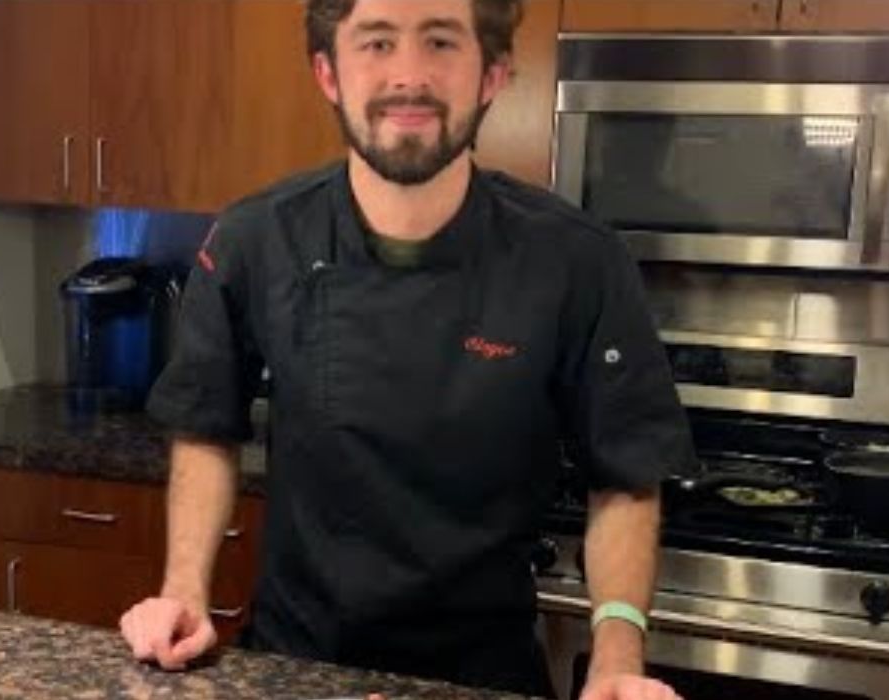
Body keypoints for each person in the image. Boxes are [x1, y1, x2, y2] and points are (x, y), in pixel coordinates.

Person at [119, 1, 693, 698]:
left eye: (442, 41)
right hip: (300, 668)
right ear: (329, 74)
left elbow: (626, 475)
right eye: (378, 42)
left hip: (486, 675)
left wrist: (617, 656)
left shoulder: (578, 260)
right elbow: (205, 427)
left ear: (493, 76)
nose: (409, 75)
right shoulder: (255, 239)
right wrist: (184, 593)